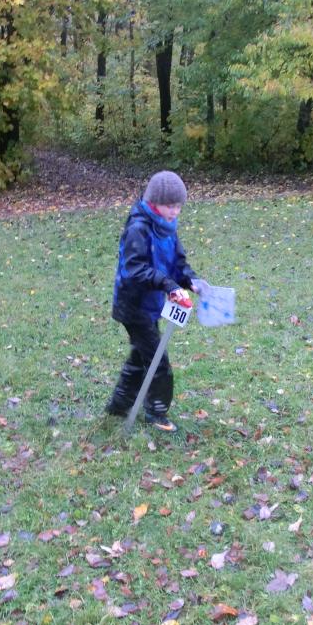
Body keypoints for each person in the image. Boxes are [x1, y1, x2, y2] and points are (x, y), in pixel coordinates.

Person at [105, 171, 208, 433]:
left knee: (141, 355)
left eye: (178, 206)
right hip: (133, 305)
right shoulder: (138, 228)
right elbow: (134, 269)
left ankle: (119, 405)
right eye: (170, 206)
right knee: (157, 361)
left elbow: (177, 264)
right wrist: (168, 285)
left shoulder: (167, 227)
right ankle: (156, 412)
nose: (175, 211)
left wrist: (190, 281)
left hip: (150, 304)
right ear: (154, 202)